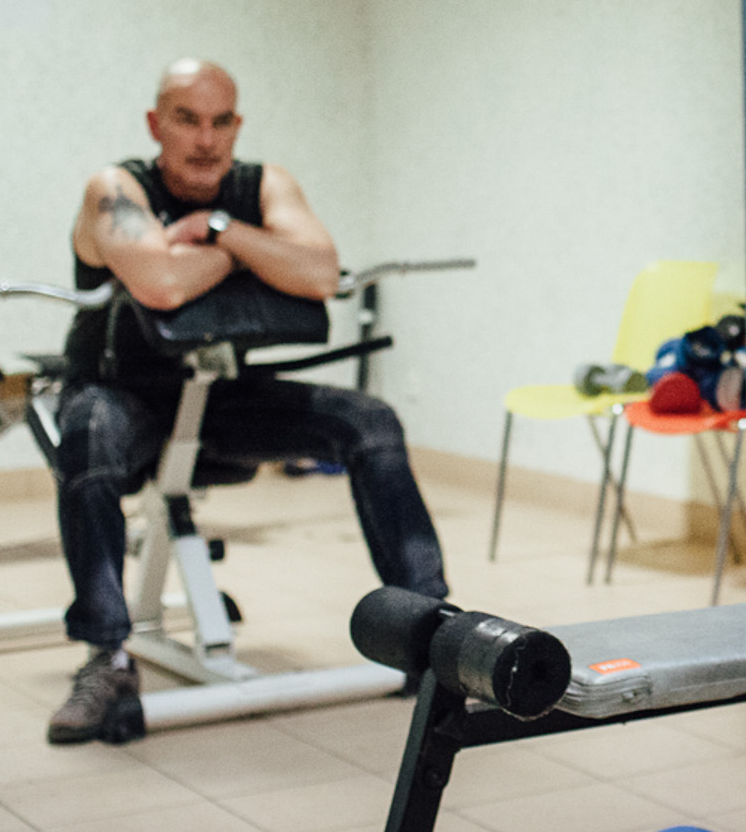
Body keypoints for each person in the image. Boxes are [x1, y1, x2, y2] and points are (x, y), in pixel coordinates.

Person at [45, 59, 449, 745]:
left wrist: (220, 230)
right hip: (120, 393)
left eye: (221, 121)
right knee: (89, 432)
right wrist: (254, 253)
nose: (206, 139)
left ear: (236, 124)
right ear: (155, 124)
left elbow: (320, 270)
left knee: (370, 422)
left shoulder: (263, 186)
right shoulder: (115, 189)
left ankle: (431, 640)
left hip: (220, 396)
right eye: (187, 120)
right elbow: (163, 288)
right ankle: (107, 656)